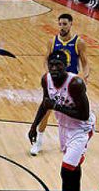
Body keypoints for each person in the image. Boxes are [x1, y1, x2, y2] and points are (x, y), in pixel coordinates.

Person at [29, 51, 95, 191]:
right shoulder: (46, 80)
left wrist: (57, 106)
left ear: (66, 65)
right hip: (64, 126)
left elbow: (84, 115)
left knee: (66, 168)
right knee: (73, 164)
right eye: (51, 65)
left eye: (58, 65)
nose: (54, 68)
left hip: (81, 129)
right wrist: (34, 126)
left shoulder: (75, 84)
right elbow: (45, 103)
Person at [31, 13, 90, 156]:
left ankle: (75, 141)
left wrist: (84, 77)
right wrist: (49, 74)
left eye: (65, 24)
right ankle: (38, 142)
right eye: (60, 24)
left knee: (75, 114)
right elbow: (46, 59)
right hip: (57, 82)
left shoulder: (79, 42)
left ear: (71, 24)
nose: (62, 27)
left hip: (71, 84)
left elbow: (85, 62)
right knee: (46, 111)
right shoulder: (52, 41)